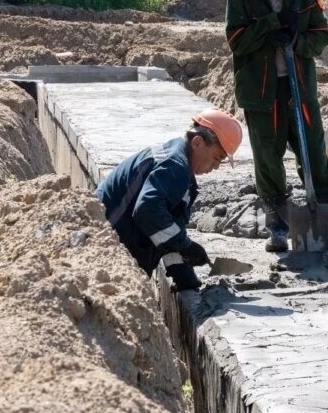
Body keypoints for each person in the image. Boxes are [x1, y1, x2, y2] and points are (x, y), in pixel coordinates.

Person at [225, 0, 328, 253]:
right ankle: (278, 226)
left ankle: (324, 221)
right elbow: (236, 41)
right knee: (268, 157)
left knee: (313, 150)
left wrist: (296, 39)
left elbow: (321, 36)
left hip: (298, 88)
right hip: (260, 92)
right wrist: (270, 25)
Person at [95, 109, 243, 292]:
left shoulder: (180, 168)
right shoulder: (175, 166)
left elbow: (168, 229)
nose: (216, 166)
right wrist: (186, 245)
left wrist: (183, 274)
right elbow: (147, 211)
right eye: (217, 157)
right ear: (198, 142)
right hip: (103, 251)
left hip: (111, 245)